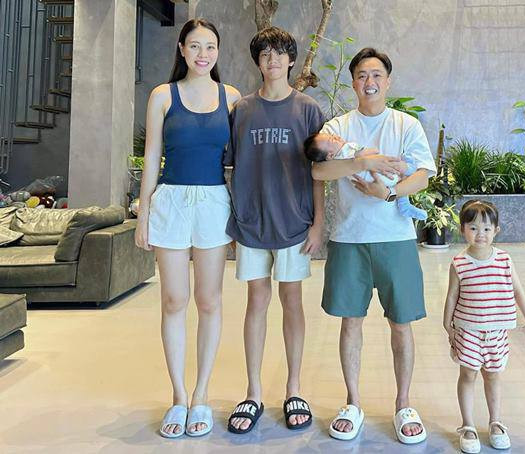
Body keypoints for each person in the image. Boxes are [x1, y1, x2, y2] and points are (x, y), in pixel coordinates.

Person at [311, 47, 435, 444]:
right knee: (351, 322)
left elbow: (423, 175)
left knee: (401, 322)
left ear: (388, 81)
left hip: (396, 238)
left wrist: (389, 192)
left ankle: (403, 404)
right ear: (353, 82)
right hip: (349, 238)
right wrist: (363, 163)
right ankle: (353, 403)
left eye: (377, 74)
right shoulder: (338, 126)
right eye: (363, 75)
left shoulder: (405, 124)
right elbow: (318, 170)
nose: (370, 81)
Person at [134, 18, 241, 438]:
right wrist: (143, 214)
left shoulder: (231, 97)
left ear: (218, 51)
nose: (203, 54)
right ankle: (178, 396)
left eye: (210, 46)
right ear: (181, 49)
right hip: (171, 203)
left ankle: (201, 395)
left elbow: (243, 158)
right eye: (195, 46)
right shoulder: (163, 95)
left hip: (213, 203)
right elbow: (152, 156)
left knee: (209, 301)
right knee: (174, 300)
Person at [224, 26, 325, 434]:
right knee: (256, 301)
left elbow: (319, 172)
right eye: (265, 54)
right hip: (252, 222)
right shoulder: (242, 110)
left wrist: (318, 223)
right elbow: (230, 167)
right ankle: (253, 392)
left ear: (291, 60)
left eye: (280, 53)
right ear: (258, 62)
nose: (273, 60)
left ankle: (294, 388)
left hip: (295, 223)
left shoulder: (308, 109)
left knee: (292, 301)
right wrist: (234, 219)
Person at [443, 200, 525, 453]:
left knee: (493, 374)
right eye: (473, 228)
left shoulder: (504, 260)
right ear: (462, 229)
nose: (480, 234)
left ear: (496, 230)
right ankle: (468, 425)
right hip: (468, 331)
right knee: (468, 375)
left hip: (496, 332)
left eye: (486, 229)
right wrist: (447, 324)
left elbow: (517, 291)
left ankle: (495, 422)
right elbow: (452, 296)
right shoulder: (459, 263)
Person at [303, 132, 427, 220]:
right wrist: (367, 157)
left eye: (332, 135)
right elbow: (373, 152)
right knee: (407, 168)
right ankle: (409, 169)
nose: (336, 136)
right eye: (332, 140)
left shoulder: (336, 163)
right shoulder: (346, 151)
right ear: (330, 155)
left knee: (401, 178)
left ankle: (405, 206)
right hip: (382, 176)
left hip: (378, 182)